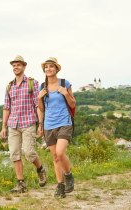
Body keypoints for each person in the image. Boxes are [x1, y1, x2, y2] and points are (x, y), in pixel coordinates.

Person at [0, 55, 47, 193]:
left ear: (24, 66)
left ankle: (40, 169)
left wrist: (40, 124)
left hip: (28, 122)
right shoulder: (9, 86)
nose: (15, 67)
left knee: (29, 152)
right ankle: (21, 184)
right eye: (13, 65)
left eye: (18, 65)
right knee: (14, 153)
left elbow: (38, 105)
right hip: (13, 124)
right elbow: (6, 107)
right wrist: (3, 127)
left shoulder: (33, 83)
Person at [37, 57, 76, 198]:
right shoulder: (42, 87)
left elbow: (72, 104)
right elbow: (41, 108)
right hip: (49, 125)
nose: (48, 69)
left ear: (56, 69)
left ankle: (68, 175)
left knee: (60, 153)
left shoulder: (65, 83)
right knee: (55, 156)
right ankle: (60, 185)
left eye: (51, 66)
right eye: (46, 67)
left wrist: (65, 93)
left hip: (64, 123)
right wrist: (39, 98)